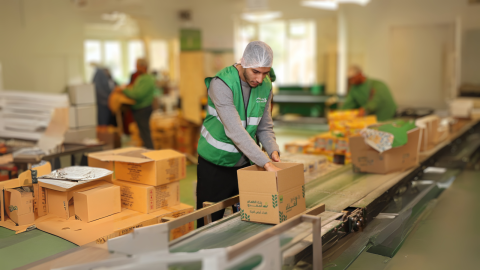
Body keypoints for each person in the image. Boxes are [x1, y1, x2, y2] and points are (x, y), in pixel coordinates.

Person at [196, 41, 281, 228]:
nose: (260, 79)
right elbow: (235, 130)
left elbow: (264, 124)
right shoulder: (222, 84)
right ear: (244, 63)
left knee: (242, 224)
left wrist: (273, 151)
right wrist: (265, 162)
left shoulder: (265, 85)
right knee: (208, 226)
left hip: (245, 165)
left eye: (265, 73)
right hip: (215, 165)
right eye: (255, 72)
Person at [116, 58, 159, 149]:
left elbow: (137, 94)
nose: (136, 67)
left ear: (142, 66)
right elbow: (136, 90)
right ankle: (147, 152)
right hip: (139, 109)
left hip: (143, 109)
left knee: (145, 134)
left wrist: (124, 90)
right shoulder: (141, 78)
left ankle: (151, 153)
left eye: (137, 65)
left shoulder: (146, 79)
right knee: (143, 134)